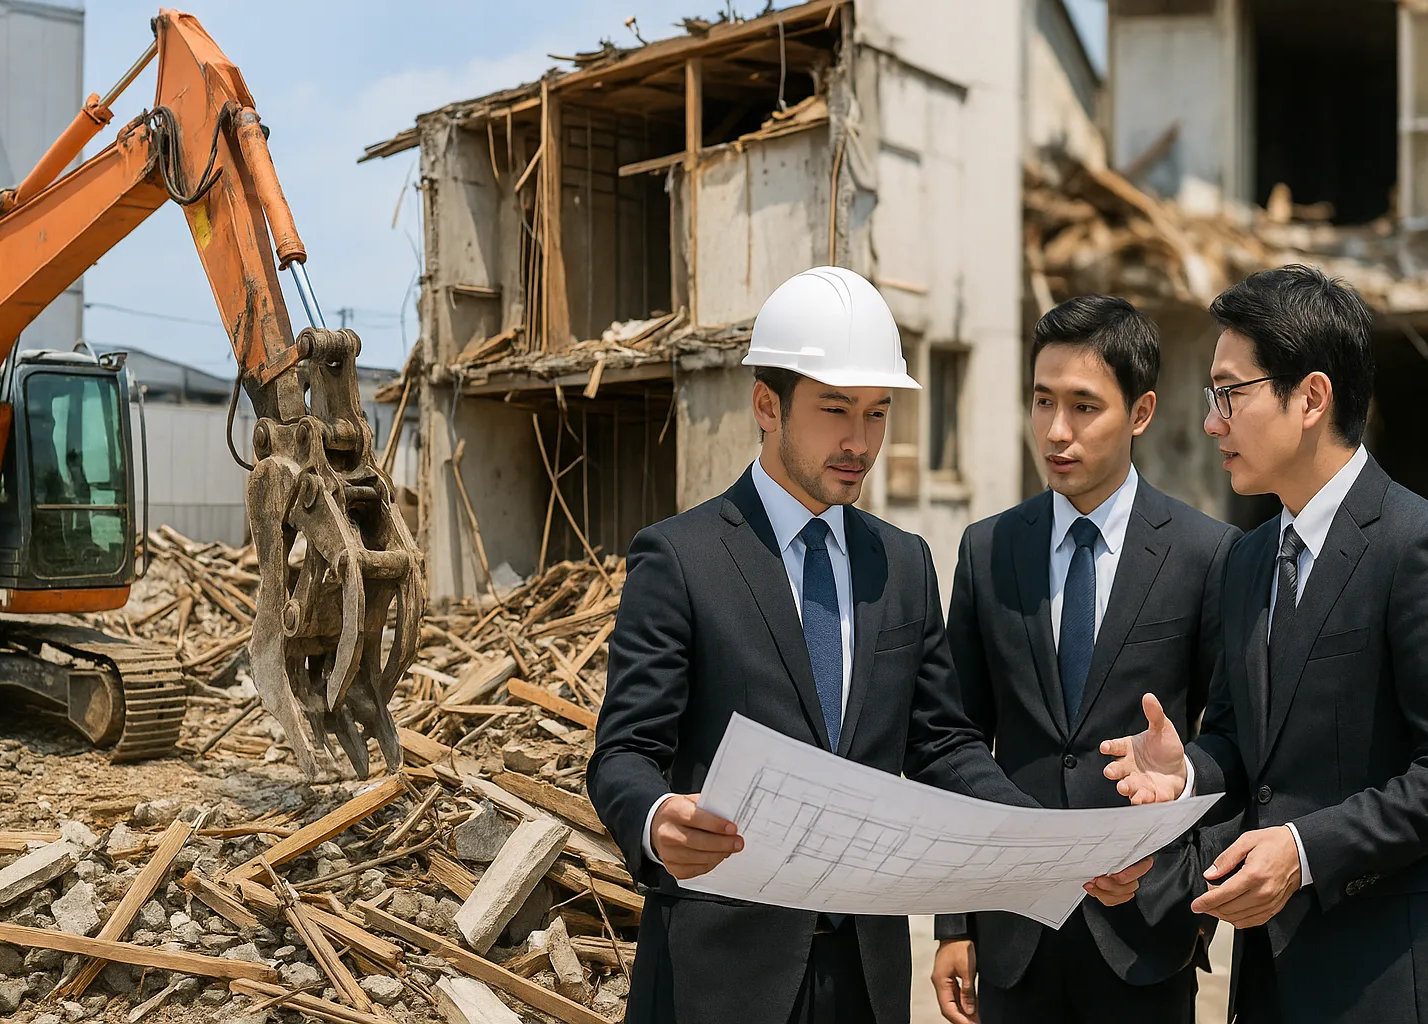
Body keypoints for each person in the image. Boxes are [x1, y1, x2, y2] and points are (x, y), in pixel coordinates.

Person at [588, 266, 1149, 1024]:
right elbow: (624, 752)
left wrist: (1046, 842)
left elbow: (943, 744)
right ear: (767, 404)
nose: (860, 442)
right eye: (834, 410)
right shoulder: (681, 559)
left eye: (878, 413)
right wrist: (657, 818)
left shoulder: (902, 564)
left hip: (867, 978)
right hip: (719, 977)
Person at [1102, 264, 1428, 1023]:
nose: (1212, 423)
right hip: (1264, 984)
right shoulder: (1248, 559)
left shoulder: (1410, 545)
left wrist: (1305, 851)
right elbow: (1245, 746)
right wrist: (1186, 772)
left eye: (1230, 393)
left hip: (1381, 983)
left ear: (1311, 398)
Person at [927, 296, 1238, 1024]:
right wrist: (955, 921)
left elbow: (1230, 740)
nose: (1056, 431)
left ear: (1141, 412)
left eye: (1083, 406)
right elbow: (953, 738)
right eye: (1042, 401)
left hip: (1146, 935)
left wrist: (1189, 893)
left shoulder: (1204, 554)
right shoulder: (987, 550)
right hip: (1013, 931)